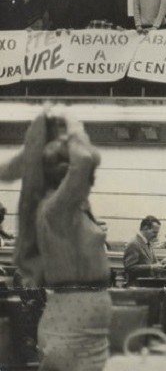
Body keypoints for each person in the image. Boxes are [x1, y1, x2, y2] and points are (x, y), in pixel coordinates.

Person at [9, 107, 112, 371]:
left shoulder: (70, 206)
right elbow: (86, 161)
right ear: (64, 174)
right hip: (74, 317)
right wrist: (73, 124)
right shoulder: (57, 208)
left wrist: (56, 133)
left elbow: (86, 161)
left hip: (81, 316)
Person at [123, 215, 166, 287]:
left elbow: (149, 263)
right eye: (154, 232)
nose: (156, 235)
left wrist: (162, 263)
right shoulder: (134, 244)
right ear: (145, 228)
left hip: (146, 286)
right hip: (138, 288)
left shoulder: (147, 242)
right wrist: (151, 267)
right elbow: (130, 268)